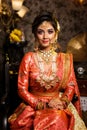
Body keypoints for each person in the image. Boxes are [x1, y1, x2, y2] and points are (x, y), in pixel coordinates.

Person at [8, 11, 87, 130]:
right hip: (34, 105)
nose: (45, 37)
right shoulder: (28, 58)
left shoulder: (63, 59)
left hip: (58, 103)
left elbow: (70, 85)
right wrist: (41, 104)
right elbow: (22, 89)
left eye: (50, 32)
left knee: (58, 118)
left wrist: (63, 102)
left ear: (55, 34)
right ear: (35, 34)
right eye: (41, 32)